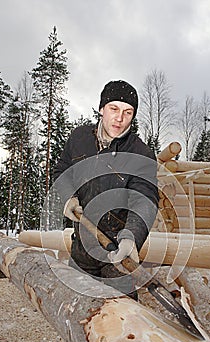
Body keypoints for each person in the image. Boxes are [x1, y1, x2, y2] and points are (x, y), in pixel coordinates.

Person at [53, 80, 159, 300]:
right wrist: (68, 198)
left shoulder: (140, 154)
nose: (120, 118)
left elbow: (145, 199)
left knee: (122, 317)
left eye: (128, 112)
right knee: (78, 310)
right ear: (102, 108)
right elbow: (63, 171)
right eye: (114, 109)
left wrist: (131, 237)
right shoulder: (79, 139)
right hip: (82, 247)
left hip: (116, 252)